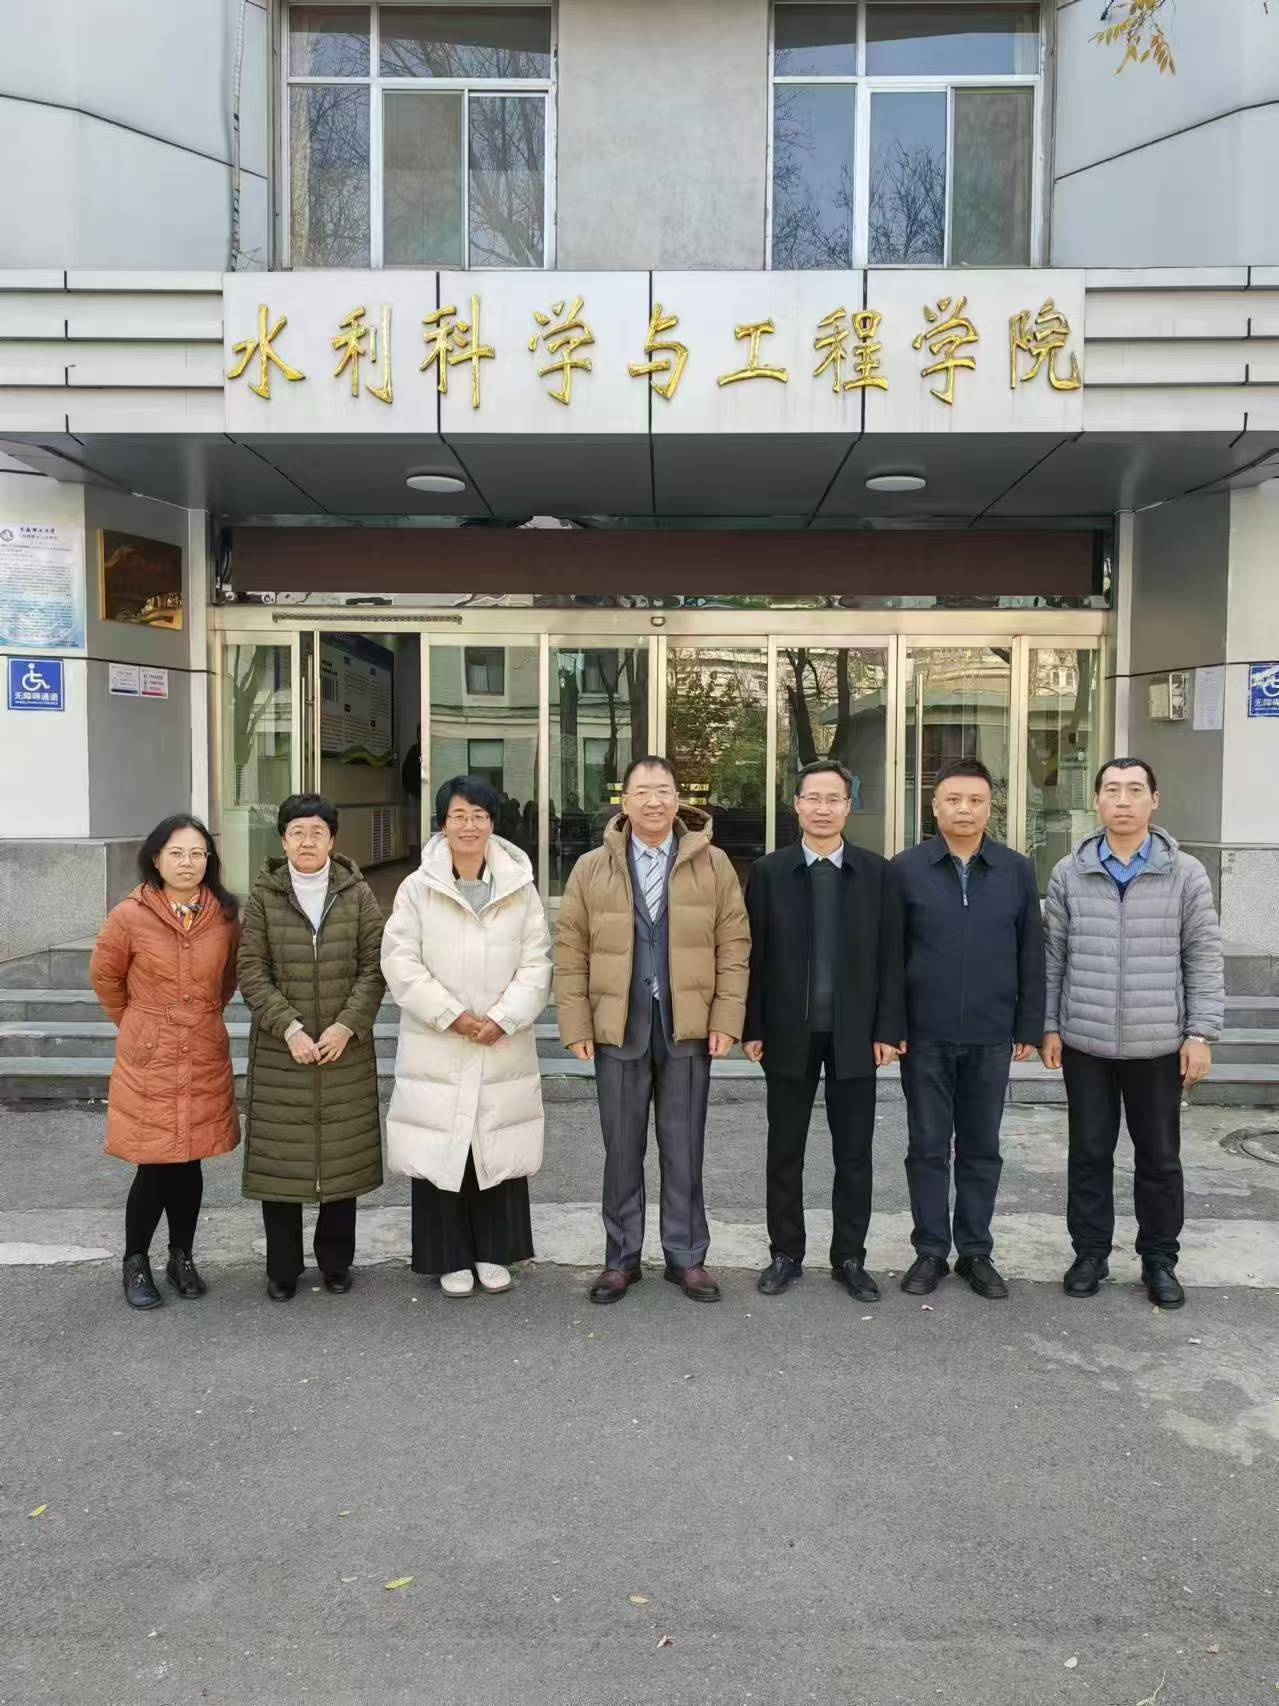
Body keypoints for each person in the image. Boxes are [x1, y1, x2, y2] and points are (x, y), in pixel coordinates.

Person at [555, 756, 750, 1305]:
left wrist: (726, 1019)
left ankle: (686, 1257)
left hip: (688, 1027)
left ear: (678, 798)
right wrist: (576, 1022)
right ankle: (621, 1259)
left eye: (663, 790)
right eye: (642, 791)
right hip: (618, 1027)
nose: (654, 801)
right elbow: (570, 949)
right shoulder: (592, 867)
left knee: (684, 1147)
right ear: (624, 801)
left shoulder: (712, 864)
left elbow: (734, 945)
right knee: (621, 1149)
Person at [1042, 757, 1224, 1310]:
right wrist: (1049, 1025)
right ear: (1097, 800)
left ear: (1154, 800)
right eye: (1113, 790)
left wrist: (1200, 1033)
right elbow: (1053, 957)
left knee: (1160, 1159)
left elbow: (1203, 955)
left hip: (1158, 1044)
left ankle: (1159, 1259)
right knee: (1089, 1154)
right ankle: (1090, 1253)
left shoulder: (1185, 873)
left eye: (1135, 790)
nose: (1123, 800)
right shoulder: (1069, 872)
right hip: (1086, 1042)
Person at [382, 775, 551, 1296]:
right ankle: (448, 1256)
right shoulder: (417, 888)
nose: (469, 825)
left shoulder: (519, 887)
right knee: (443, 1147)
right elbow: (400, 961)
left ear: (492, 822)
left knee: (495, 1143)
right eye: (458, 816)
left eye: (479, 815)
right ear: (442, 824)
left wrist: (503, 1017)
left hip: (501, 1039)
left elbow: (537, 961)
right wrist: (451, 1014)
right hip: (439, 1038)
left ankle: (494, 1252)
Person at [743, 760, 905, 1303]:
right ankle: (785, 1253)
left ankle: (850, 1256)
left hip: (856, 1036)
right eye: (812, 798)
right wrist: (753, 1025)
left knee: (854, 1153)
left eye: (833, 798)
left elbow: (892, 957)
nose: (822, 808)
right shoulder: (769, 872)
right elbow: (753, 956)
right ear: (796, 805)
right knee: (784, 1149)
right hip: (787, 1033)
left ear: (848, 807)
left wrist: (888, 1028)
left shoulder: (876, 873)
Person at [892, 759, 1045, 1300]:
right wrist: (892, 1024)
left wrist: (1028, 1024)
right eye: (953, 800)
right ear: (934, 807)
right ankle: (931, 1250)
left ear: (989, 807)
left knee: (982, 1148)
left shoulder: (1015, 869)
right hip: (924, 1035)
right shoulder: (906, 868)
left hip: (990, 1032)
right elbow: (891, 955)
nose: (964, 809)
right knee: (927, 1145)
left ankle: (976, 1251)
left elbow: (1031, 950)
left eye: (975, 800)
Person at [237, 794, 386, 1301]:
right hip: (283, 1050)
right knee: (281, 1157)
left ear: (332, 839)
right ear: (283, 840)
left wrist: (347, 1026)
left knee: (341, 1157)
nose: (307, 841)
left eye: (317, 832)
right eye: (297, 832)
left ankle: (335, 1262)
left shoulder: (357, 894)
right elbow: (251, 971)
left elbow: (375, 967)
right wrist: (289, 1027)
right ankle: (282, 1268)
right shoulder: (263, 897)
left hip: (344, 1047)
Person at [89, 815, 240, 1310]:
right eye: (176, 853)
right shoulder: (129, 915)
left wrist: (197, 1016)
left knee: (190, 1161)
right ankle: (135, 1261)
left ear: (209, 860)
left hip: (202, 1048)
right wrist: (140, 1024)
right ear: (156, 858)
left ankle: (182, 1257)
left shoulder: (224, 915)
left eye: (197, 853)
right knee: (154, 1163)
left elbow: (227, 980)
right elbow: (106, 978)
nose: (187, 863)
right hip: (151, 1056)